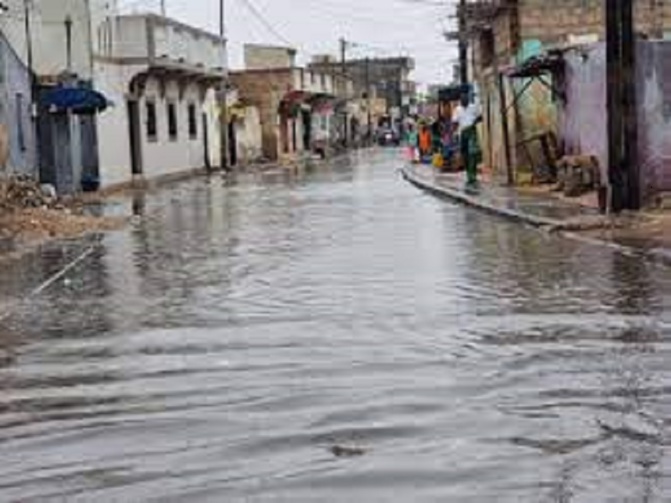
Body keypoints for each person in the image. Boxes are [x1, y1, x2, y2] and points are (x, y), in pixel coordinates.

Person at [453, 91, 483, 186]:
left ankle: (472, 176)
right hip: (463, 132)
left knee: (472, 154)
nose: (463, 101)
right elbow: (455, 122)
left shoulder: (473, 107)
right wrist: (455, 134)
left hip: (472, 131)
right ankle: (468, 174)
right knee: (465, 154)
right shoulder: (457, 109)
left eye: (465, 99)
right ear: (460, 101)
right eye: (462, 100)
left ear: (468, 100)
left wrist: (475, 121)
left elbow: (480, 117)